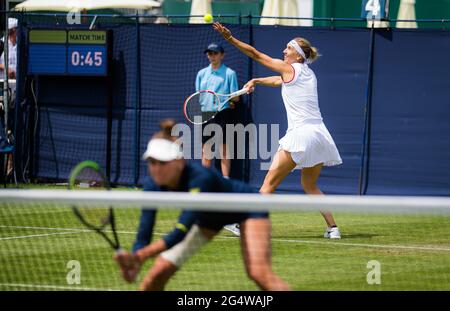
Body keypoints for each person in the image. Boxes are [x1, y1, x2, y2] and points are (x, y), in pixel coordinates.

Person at [115, 119, 290, 291]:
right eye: (152, 162)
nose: (157, 169)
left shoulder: (200, 178)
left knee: (258, 273)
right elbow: (144, 232)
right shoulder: (152, 185)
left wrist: (140, 256)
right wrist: (135, 257)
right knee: (158, 273)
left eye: (163, 162)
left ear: (179, 161)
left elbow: (180, 232)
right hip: (209, 219)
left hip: (247, 207)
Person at [213, 22, 343, 239]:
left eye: (289, 49)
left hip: (300, 135)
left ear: (299, 56)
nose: (284, 51)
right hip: (320, 135)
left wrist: (230, 39)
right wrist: (257, 80)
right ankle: (333, 228)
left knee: (268, 185)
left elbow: (256, 55)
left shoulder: (290, 68)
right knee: (310, 185)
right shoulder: (308, 73)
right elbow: (278, 81)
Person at [196, 42, 241, 236]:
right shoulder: (201, 74)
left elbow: (235, 98)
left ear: (222, 55)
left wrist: (230, 100)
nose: (211, 56)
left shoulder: (230, 73)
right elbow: (199, 96)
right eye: (209, 53)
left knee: (223, 150)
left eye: (214, 53)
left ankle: (224, 181)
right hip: (206, 114)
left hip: (223, 114)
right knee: (207, 151)